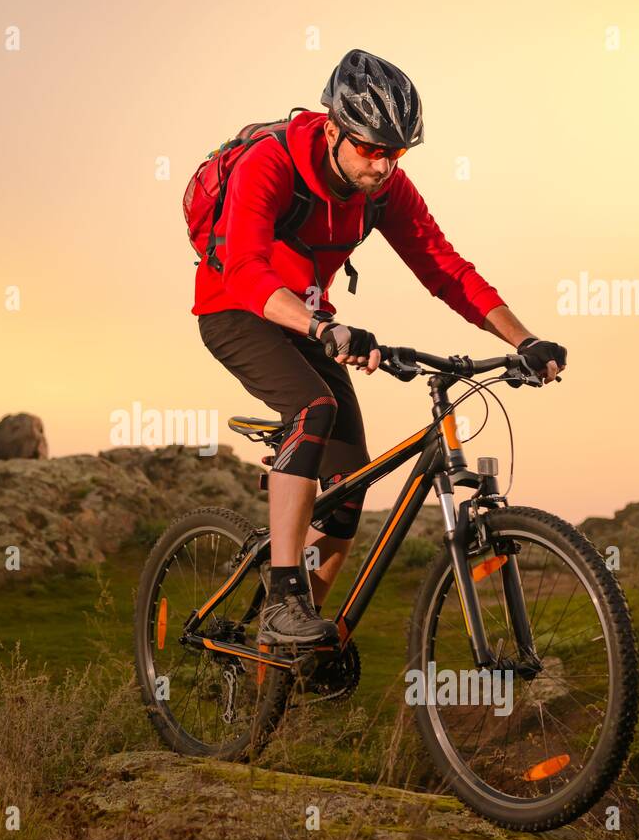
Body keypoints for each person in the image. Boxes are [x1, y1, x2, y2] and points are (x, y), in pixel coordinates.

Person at [192, 49, 567, 647]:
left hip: (310, 320)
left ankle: (293, 645)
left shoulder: (385, 188)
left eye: (396, 152)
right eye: (371, 148)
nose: (384, 164)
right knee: (313, 407)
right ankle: (283, 597)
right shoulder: (271, 163)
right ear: (335, 128)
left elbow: (445, 269)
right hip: (238, 311)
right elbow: (243, 269)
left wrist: (524, 339)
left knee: (349, 486)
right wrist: (322, 329)